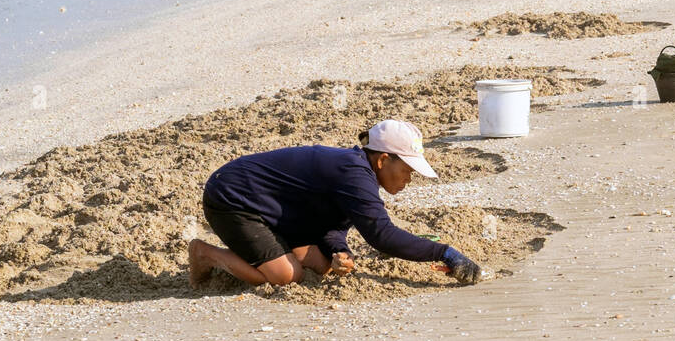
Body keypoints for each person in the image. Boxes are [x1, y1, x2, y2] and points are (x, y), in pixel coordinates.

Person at [187, 119, 484, 289]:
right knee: (285, 276)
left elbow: (333, 225)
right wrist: (444, 252)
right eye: (407, 169)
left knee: (322, 263)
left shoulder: (358, 173)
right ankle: (205, 253)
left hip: (273, 208)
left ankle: (267, 252)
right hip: (232, 198)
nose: (409, 178)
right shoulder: (353, 174)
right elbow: (382, 236)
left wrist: (340, 249)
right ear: (382, 159)